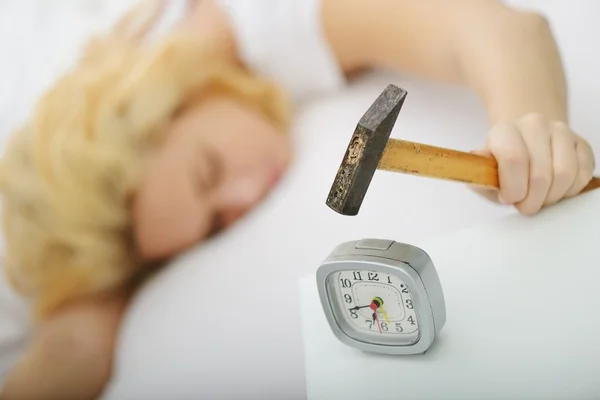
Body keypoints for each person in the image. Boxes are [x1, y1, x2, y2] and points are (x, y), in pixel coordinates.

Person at [0, 0, 595, 398]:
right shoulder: (106, 212)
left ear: (187, 92)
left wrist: (528, 122)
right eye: (216, 223)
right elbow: (73, 342)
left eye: (208, 172)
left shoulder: (242, 23)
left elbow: (497, 28)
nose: (247, 193)